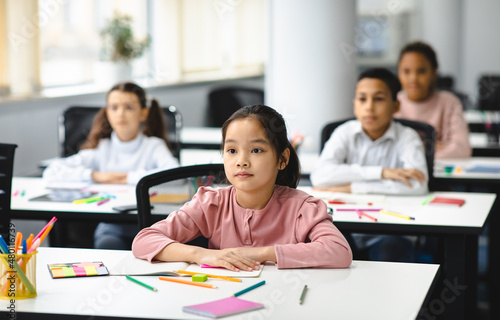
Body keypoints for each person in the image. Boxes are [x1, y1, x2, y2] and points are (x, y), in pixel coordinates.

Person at [132, 105, 352, 270]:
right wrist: (202, 255)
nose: (241, 161)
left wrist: (261, 254)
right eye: (232, 151)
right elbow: (144, 240)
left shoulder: (301, 208)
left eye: (256, 150)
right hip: (223, 298)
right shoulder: (211, 203)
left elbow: (339, 251)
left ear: (282, 159)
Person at [310, 68, 427, 262]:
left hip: (391, 230)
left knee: (388, 254)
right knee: (325, 249)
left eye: (379, 99)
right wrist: (382, 173)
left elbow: (418, 185)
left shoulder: (408, 137)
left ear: (395, 105)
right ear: (355, 104)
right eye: (362, 99)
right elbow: (320, 176)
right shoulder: (344, 132)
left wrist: (353, 187)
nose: (369, 107)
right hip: (347, 227)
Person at [43, 82, 179, 249]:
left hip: (153, 226)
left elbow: (175, 175)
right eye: (114, 107)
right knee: (106, 244)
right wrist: (96, 176)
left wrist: (125, 177)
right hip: (112, 226)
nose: (120, 113)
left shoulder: (153, 146)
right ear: (107, 113)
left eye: (128, 107)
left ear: (143, 113)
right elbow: (52, 172)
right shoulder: (101, 148)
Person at [395, 41, 471, 159]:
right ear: (398, 73)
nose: (413, 78)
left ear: (434, 73)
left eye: (421, 71)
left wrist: (413, 153)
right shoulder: (391, 103)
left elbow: (462, 149)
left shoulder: (450, 103)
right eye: (406, 71)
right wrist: (429, 148)